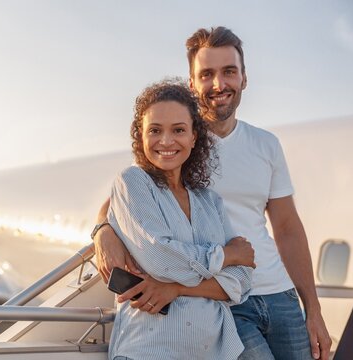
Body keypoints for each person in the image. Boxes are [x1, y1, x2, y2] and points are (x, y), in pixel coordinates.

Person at [93, 27, 331, 360]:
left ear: (244, 78)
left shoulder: (265, 145)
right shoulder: (174, 141)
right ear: (193, 84)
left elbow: (288, 228)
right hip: (220, 300)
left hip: (277, 293)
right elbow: (122, 200)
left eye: (229, 72)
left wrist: (313, 309)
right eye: (207, 74)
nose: (219, 84)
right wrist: (102, 232)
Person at [106, 79, 253, 360]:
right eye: (155, 130)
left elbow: (242, 281)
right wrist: (227, 255)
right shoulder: (133, 181)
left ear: (194, 137)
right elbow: (162, 260)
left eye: (178, 130)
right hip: (148, 351)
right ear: (140, 136)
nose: (166, 141)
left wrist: (176, 288)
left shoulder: (209, 201)